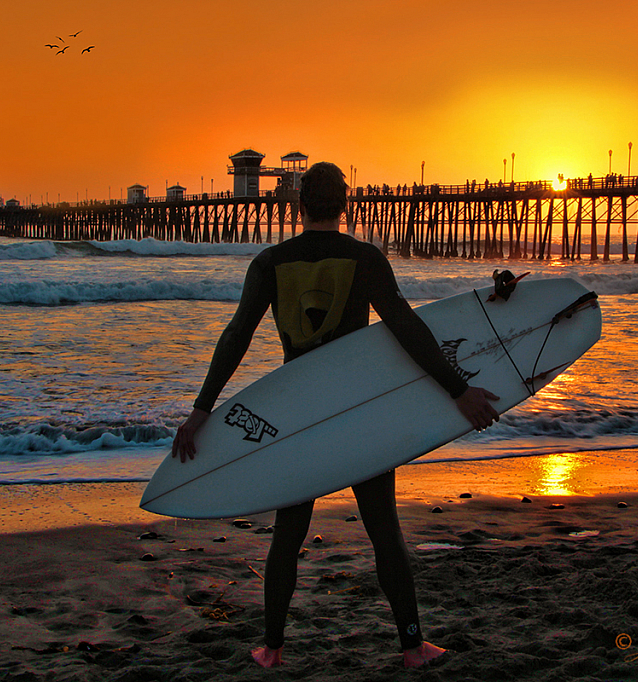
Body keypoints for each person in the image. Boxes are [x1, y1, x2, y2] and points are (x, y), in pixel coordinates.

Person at [171, 161, 500, 669]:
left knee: (289, 531)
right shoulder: (364, 258)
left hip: (300, 414)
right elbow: (405, 327)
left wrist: (202, 409)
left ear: (298, 206)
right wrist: (458, 391)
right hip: (355, 410)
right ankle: (412, 647)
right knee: (383, 529)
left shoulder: (269, 263)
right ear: (345, 205)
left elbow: (236, 336)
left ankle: (273, 650)